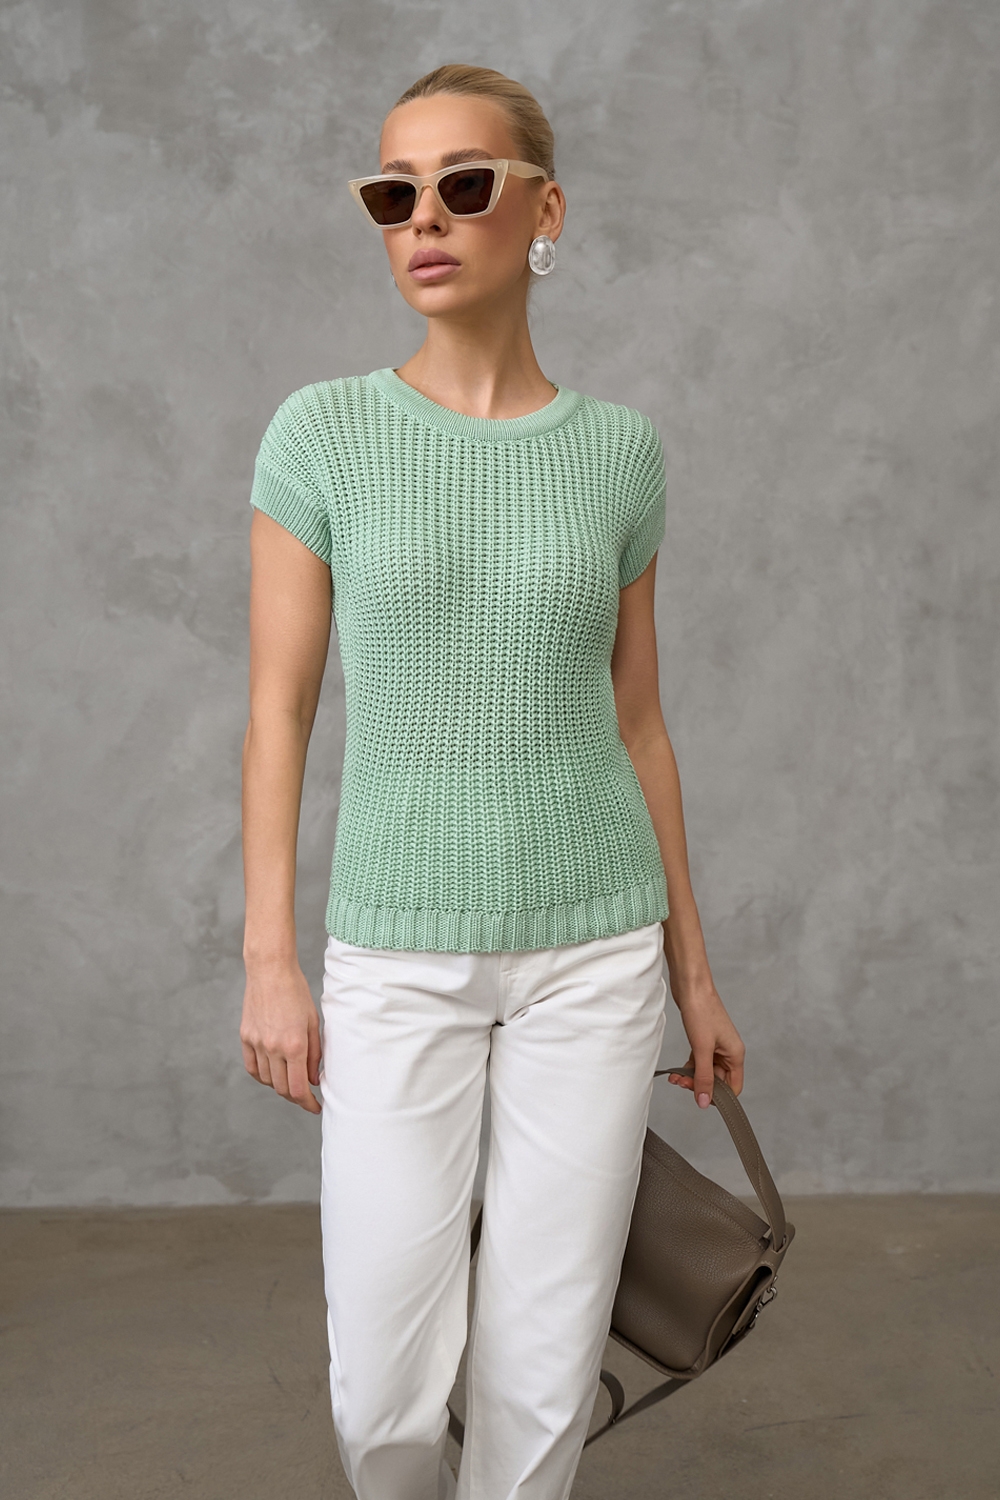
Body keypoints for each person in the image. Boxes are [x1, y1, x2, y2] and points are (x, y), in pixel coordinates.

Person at [239, 62, 745, 1500]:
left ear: (545, 212)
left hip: (597, 949)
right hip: (398, 950)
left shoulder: (621, 455)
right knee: (385, 1385)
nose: (424, 219)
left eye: (464, 185)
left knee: (543, 1358)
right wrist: (271, 959)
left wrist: (693, 975)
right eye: (392, 193)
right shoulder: (322, 435)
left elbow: (639, 724)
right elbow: (278, 711)